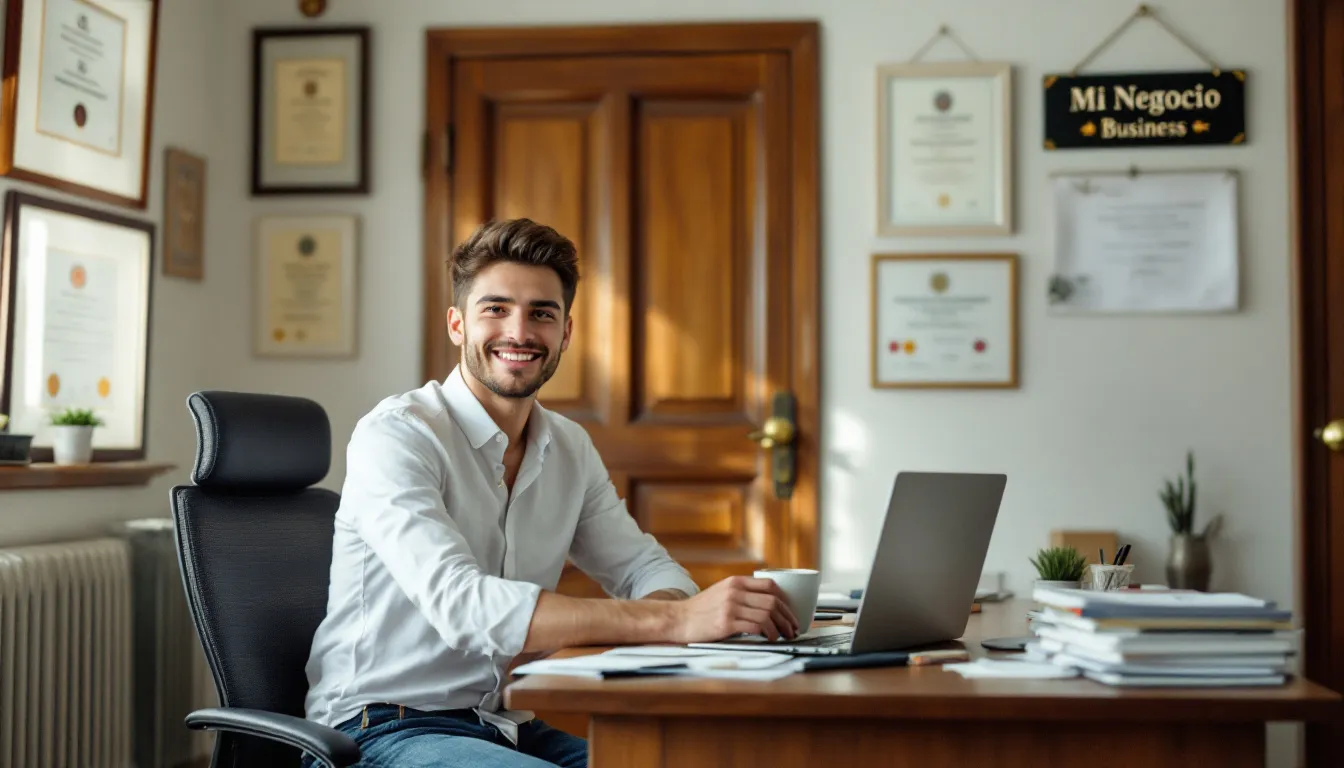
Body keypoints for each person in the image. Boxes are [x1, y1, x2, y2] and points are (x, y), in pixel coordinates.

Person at [301, 218, 800, 768]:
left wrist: (674, 608)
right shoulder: (398, 435)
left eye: (541, 313)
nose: (519, 332)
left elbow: (646, 568)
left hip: (501, 724)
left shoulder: (567, 446)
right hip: (376, 729)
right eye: (495, 309)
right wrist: (675, 621)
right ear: (457, 325)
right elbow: (463, 607)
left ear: (565, 333)